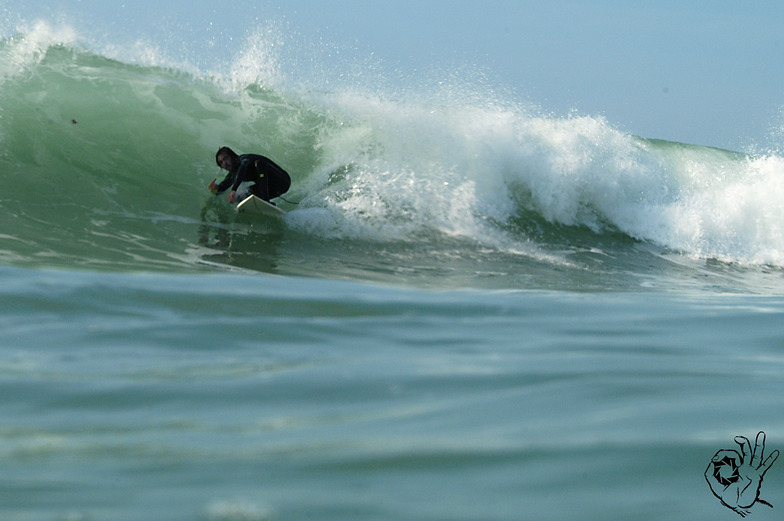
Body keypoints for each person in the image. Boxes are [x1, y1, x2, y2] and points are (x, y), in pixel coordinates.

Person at [208, 146, 291, 204]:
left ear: (232, 156)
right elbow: (220, 190)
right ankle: (262, 208)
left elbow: (242, 169)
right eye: (221, 162)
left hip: (282, 181)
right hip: (270, 188)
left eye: (225, 158)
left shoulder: (244, 160)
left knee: (259, 164)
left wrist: (234, 189)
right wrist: (215, 190)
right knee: (240, 198)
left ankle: (266, 201)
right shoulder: (234, 175)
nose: (224, 163)